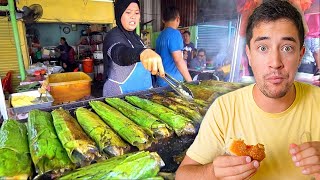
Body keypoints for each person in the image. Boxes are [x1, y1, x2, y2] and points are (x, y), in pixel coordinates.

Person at [176, 1, 320, 179]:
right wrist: (212, 172)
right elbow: (182, 175)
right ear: (249, 55)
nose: (275, 62)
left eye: (287, 48)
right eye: (262, 48)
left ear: (300, 54)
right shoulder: (225, 109)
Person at [102, 0, 164, 96]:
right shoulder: (113, 36)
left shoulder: (137, 38)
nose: (133, 16)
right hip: (120, 94)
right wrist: (141, 53)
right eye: (128, 12)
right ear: (119, 13)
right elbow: (120, 54)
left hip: (144, 93)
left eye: (137, 13)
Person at [155, 6, 192, 87]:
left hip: (161, 81)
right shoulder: (175, 34)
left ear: (163, 20)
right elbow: (178, 60)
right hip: (173, 83)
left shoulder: (159, 36)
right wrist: (191, 83)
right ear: (178, 19)